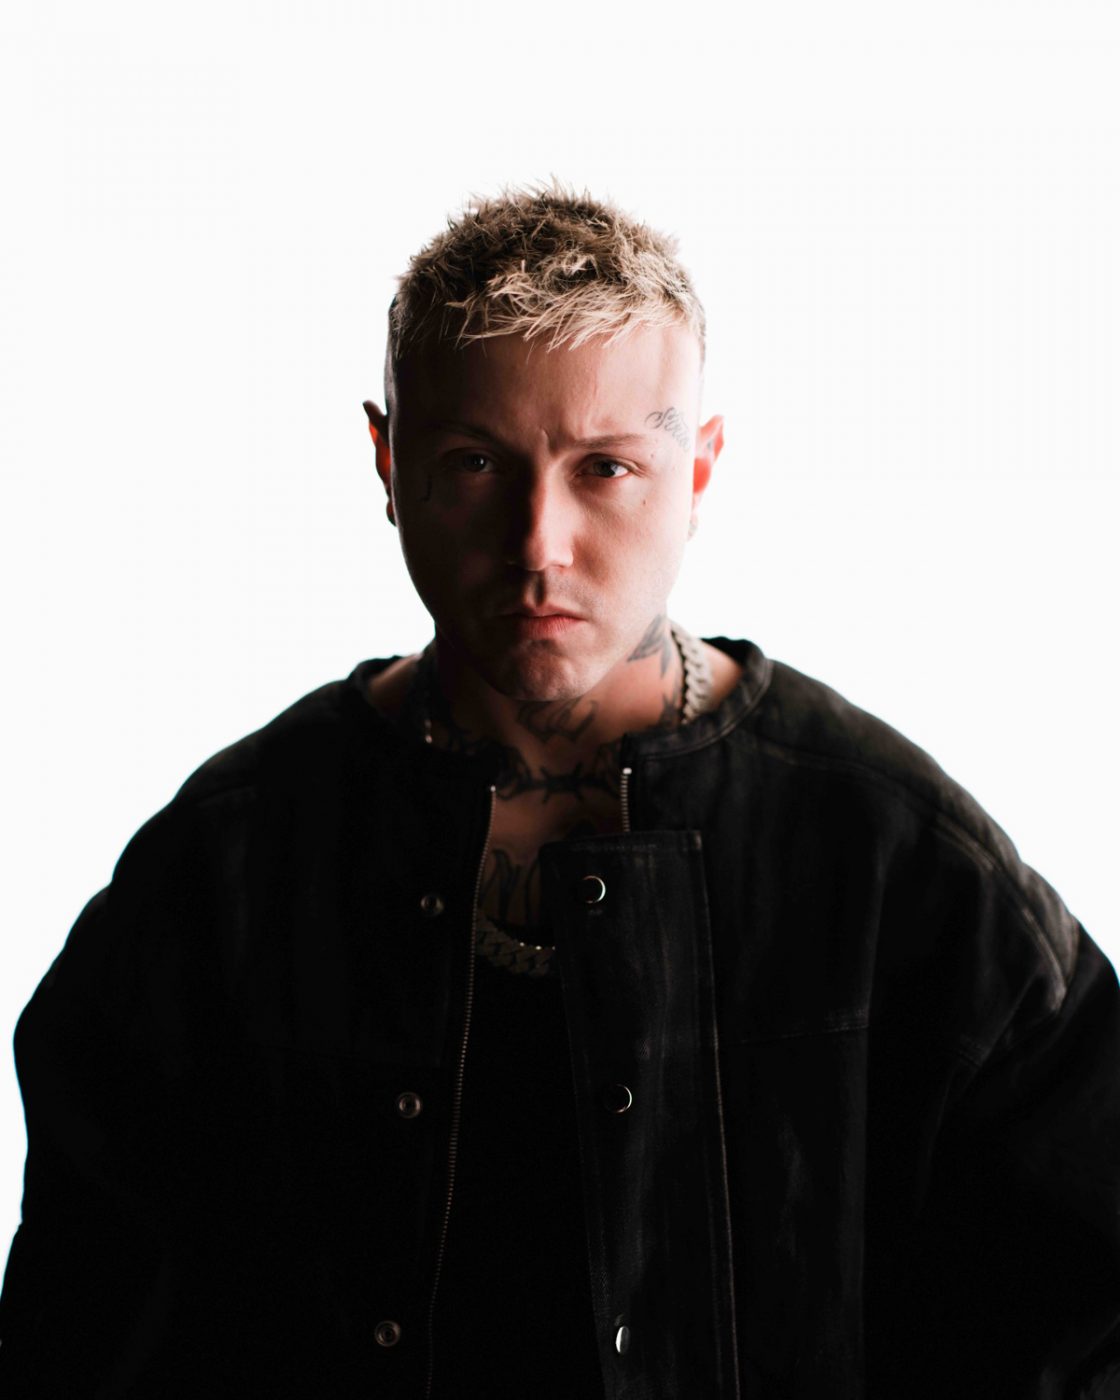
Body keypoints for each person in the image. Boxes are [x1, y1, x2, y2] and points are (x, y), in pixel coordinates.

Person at [1, 184, 1118, 1400]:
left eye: (606, 468)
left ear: (698, 469)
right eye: (476, 461)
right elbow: (83, 1329)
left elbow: (1081, 1307)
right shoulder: (228, 863)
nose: (540, 541)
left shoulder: (894, 855)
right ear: (387, 461)